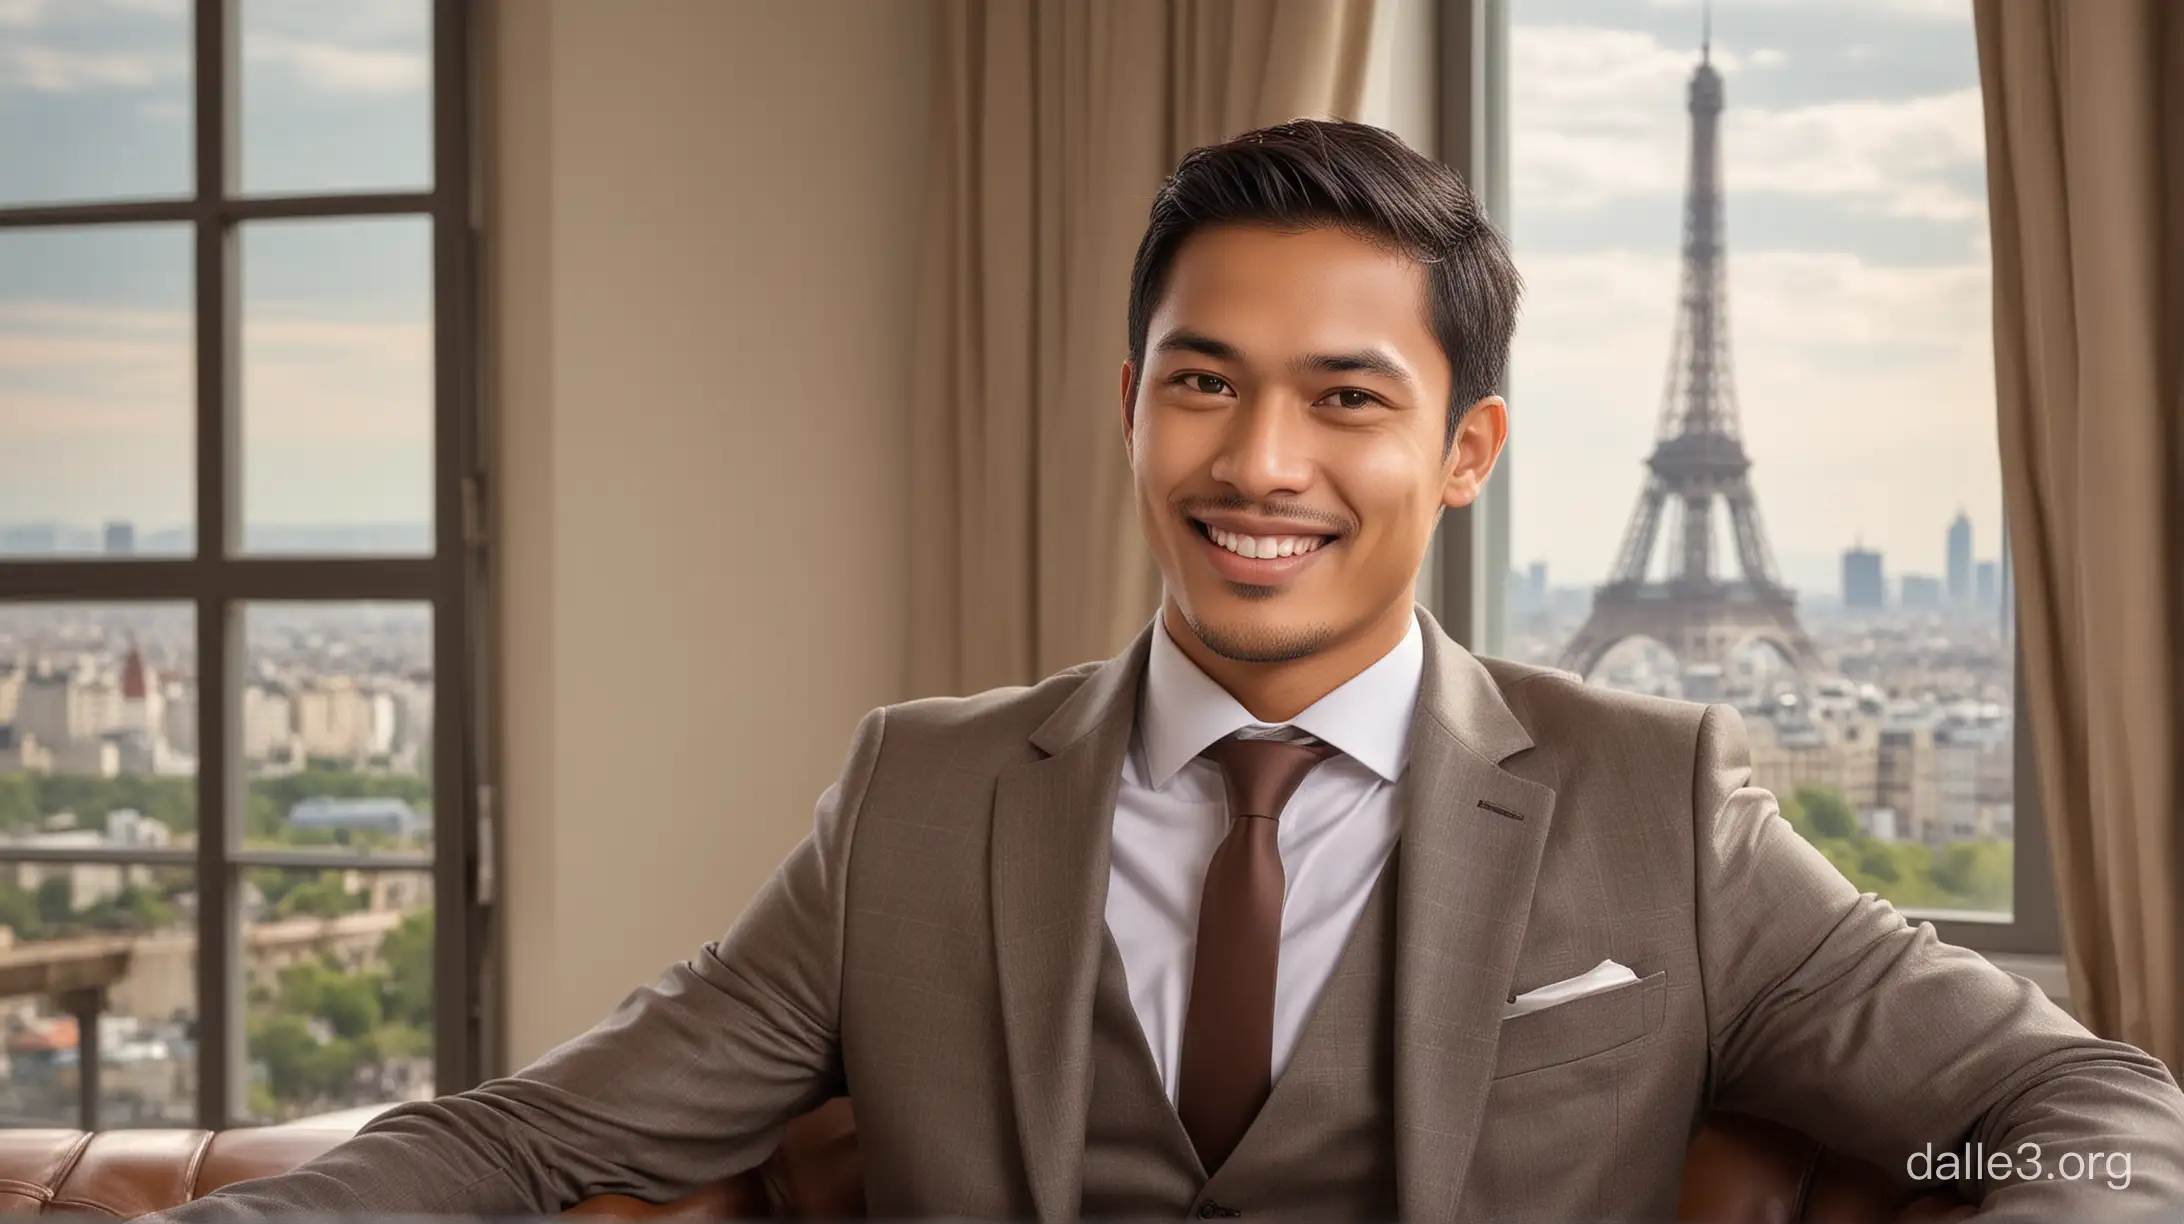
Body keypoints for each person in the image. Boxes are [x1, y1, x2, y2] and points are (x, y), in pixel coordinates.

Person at [145, 119, 2183, 1222]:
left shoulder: (1654, 799)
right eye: (1201, 385)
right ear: (1129, 408)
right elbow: (520, 1142)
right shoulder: (921, 799)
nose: (1259, 463)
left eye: (1344, 399)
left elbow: (2074, 1103)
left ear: (1467, 450)